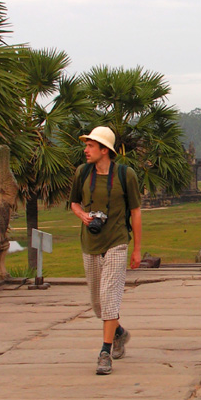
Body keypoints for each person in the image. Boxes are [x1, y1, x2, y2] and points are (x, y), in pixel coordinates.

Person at [70, 126, 142, 376]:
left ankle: (105, 351)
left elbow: (135, 212)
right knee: (98, 304)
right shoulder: (82, 173)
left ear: (104, 150)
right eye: (86, 145)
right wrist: (83, 216)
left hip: (117, 241)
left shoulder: (125, 174)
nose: (85, 149)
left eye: (90, 145)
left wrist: (137, 249)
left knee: (110, 297)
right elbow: (74, 203)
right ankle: (120, 333)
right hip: (90, 243)